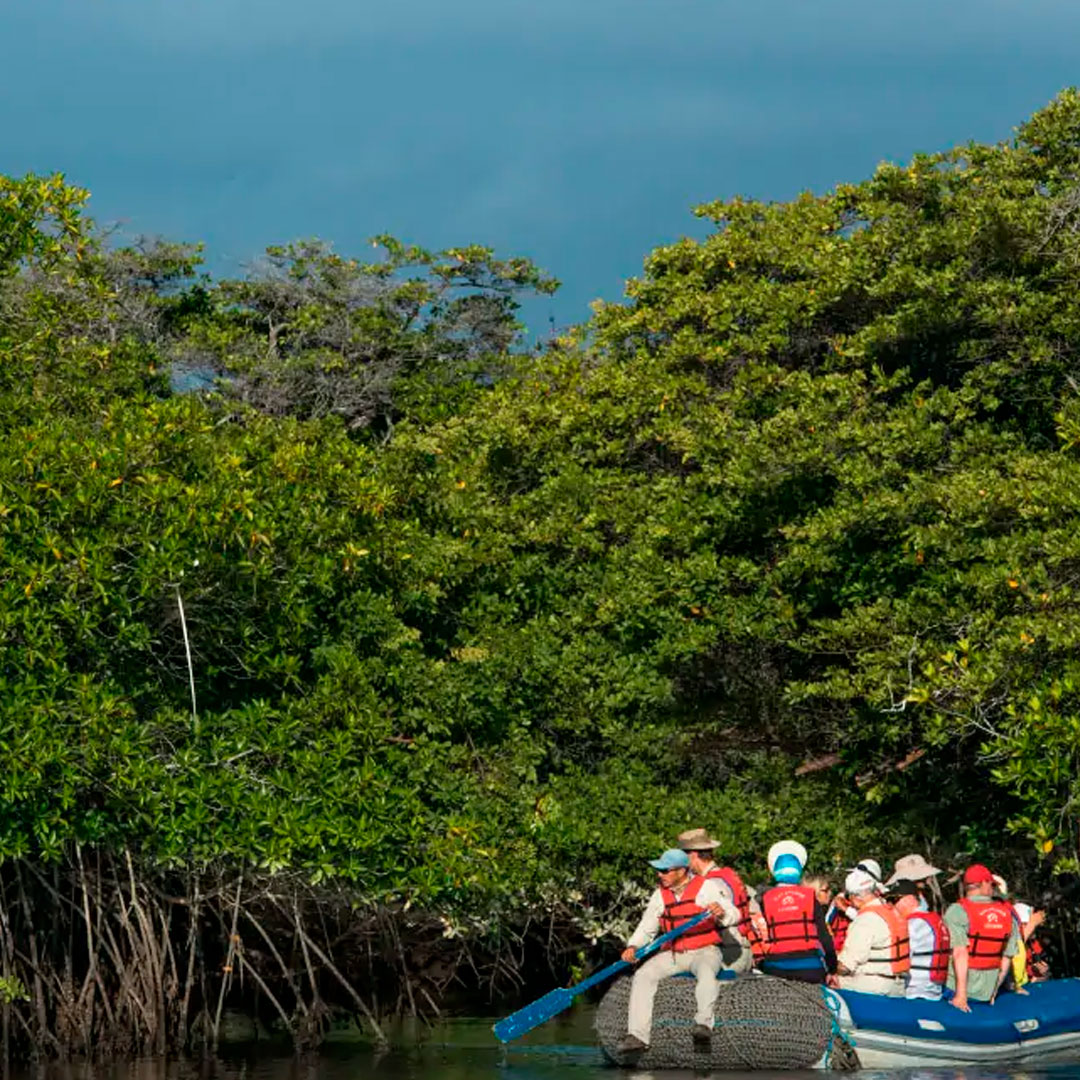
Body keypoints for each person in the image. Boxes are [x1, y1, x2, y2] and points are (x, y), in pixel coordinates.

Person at [616, 847, 741, 1057]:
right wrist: (633, 946)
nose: (660, 874)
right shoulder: (660, 895)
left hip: (705, 950)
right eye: (659, 870)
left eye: (665, 870)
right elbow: (648, 926)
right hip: (674, 954)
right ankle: (637, 1036)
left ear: (682, 871)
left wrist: (721, 912)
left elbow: (733, 913)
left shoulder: (706, 887)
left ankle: (703, 1025)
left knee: (706, 973)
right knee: (643, 975)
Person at [757, 840, 836, 984]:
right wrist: (832, 969)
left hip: (776, 967)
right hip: (810, 967)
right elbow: (824, 937)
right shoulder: (810, 897)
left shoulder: (765, 900)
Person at [943, 864, 1019, 1011]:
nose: (992, 889)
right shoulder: (1008, 915)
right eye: (992, 884)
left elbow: (959, 953)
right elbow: (1006, 958)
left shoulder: (957, 911)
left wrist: (961, 995)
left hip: (956, 990)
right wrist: (994, 990)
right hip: (986, 993)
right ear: (984, 883)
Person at [677, 828, 754, 973]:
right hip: (742, 949)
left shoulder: (711, 883)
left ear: (692, 855)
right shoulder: (728, 875)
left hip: (728, 955)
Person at [830, 868, 909, 996]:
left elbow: (845, 967)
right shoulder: (893, 912)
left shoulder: (865, 920)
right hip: (898, 987)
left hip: (872, 987)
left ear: (854, 897)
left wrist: (829, 968)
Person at [889, 879, 951, 1000]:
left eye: (894, 900)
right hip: (935, 991)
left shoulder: (912, 924)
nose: (891, 905)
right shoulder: (936, 920)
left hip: (914, 992)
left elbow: (898, 960)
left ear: (909, 899)